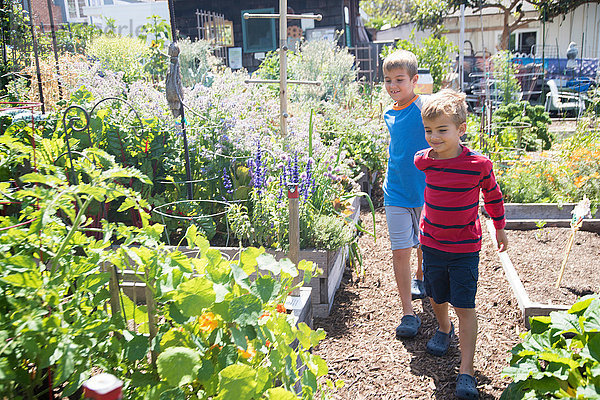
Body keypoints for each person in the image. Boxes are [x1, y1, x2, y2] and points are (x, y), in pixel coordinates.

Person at [414, 89, 508, 400]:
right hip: (432, 243)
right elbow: (418, 158)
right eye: (429, 131)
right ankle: (443, 328)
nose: (434, 137)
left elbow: (493, 196)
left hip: (465, 248)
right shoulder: (425, 162)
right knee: (435, 295)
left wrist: (500, 228)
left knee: (465, 305)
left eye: (442, 130)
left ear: (461, 129)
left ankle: (466, 370)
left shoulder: (478, 165)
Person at [381, 50, 430, 340]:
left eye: (399, 79)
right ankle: (407, 313)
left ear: (414, 80)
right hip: (395, 191)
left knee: (425, 243)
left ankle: (421, 276)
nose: (393, 86)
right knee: (400, 252)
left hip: (426, 191)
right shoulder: (388, 112)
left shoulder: (425, 108)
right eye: (388, 80)